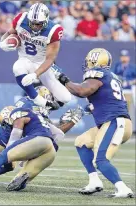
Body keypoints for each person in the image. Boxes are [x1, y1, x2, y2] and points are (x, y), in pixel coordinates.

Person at [0, 102, 85, 191]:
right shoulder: (39, 118)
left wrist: (9, 153)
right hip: (50, 151)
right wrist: (73, 121)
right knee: (14, 185)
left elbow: (15, 135)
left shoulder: (18, 114)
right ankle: (23, 179)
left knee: (3, 156)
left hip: (38, 140)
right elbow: (59, 134)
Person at [57, 48, 134, 198]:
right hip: (113, 121)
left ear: (94, 61)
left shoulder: (97, 74)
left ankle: (123, 188)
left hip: (115, 121)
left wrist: (62, 78)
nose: (87, 65)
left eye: (88, 61)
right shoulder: (111, 76)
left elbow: (81, 91)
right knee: (81, 142)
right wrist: (87, 109)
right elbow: (106, 99)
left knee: (100, 160)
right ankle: (94, 181)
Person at [0, 2, 72, 110]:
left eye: (38, 24)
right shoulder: (21, 20)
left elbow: (50, 59)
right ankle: (38, 100)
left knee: (65, 98)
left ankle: (47, 107)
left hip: (42, 64)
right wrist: (2, 43)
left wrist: (35, 74)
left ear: (46, 21)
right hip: (25, 59)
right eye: (32, 23)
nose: (34, 26)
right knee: (17, 67)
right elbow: (9, 33)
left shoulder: (53, 31)